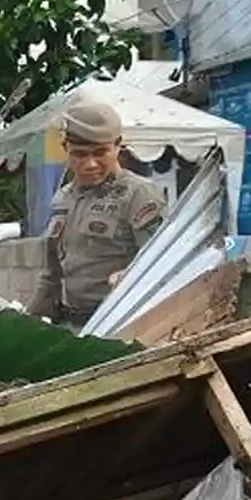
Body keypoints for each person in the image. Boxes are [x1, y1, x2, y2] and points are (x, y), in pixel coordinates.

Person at [26, 101, 167, 330]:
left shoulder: (138, 194)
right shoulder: (63, 198)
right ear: (65, 149)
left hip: (118, 325)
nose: (90, 164)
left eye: (100, 153)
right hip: (72, 326)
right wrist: (26, 321)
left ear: (118, 146)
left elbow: (160, 263)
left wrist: (129, 276)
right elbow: (51, 275)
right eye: (79, 154)